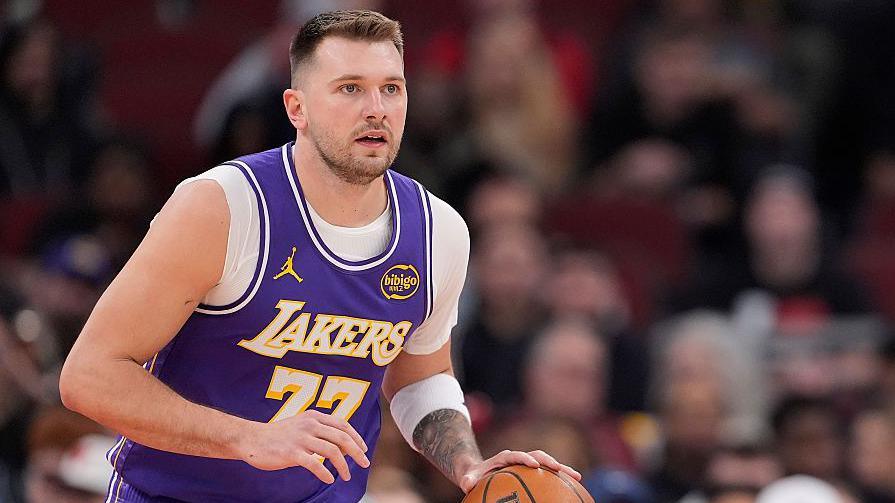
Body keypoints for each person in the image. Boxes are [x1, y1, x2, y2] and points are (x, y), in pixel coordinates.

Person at [58, 9, 579, 503]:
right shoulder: (223, 206)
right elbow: (90, 377)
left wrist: (467, 464)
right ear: (296, 109)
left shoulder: (438, 231)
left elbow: (421, 377)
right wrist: (248, 438)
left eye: (391, 89)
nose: (376, 107)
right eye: (350, 88)